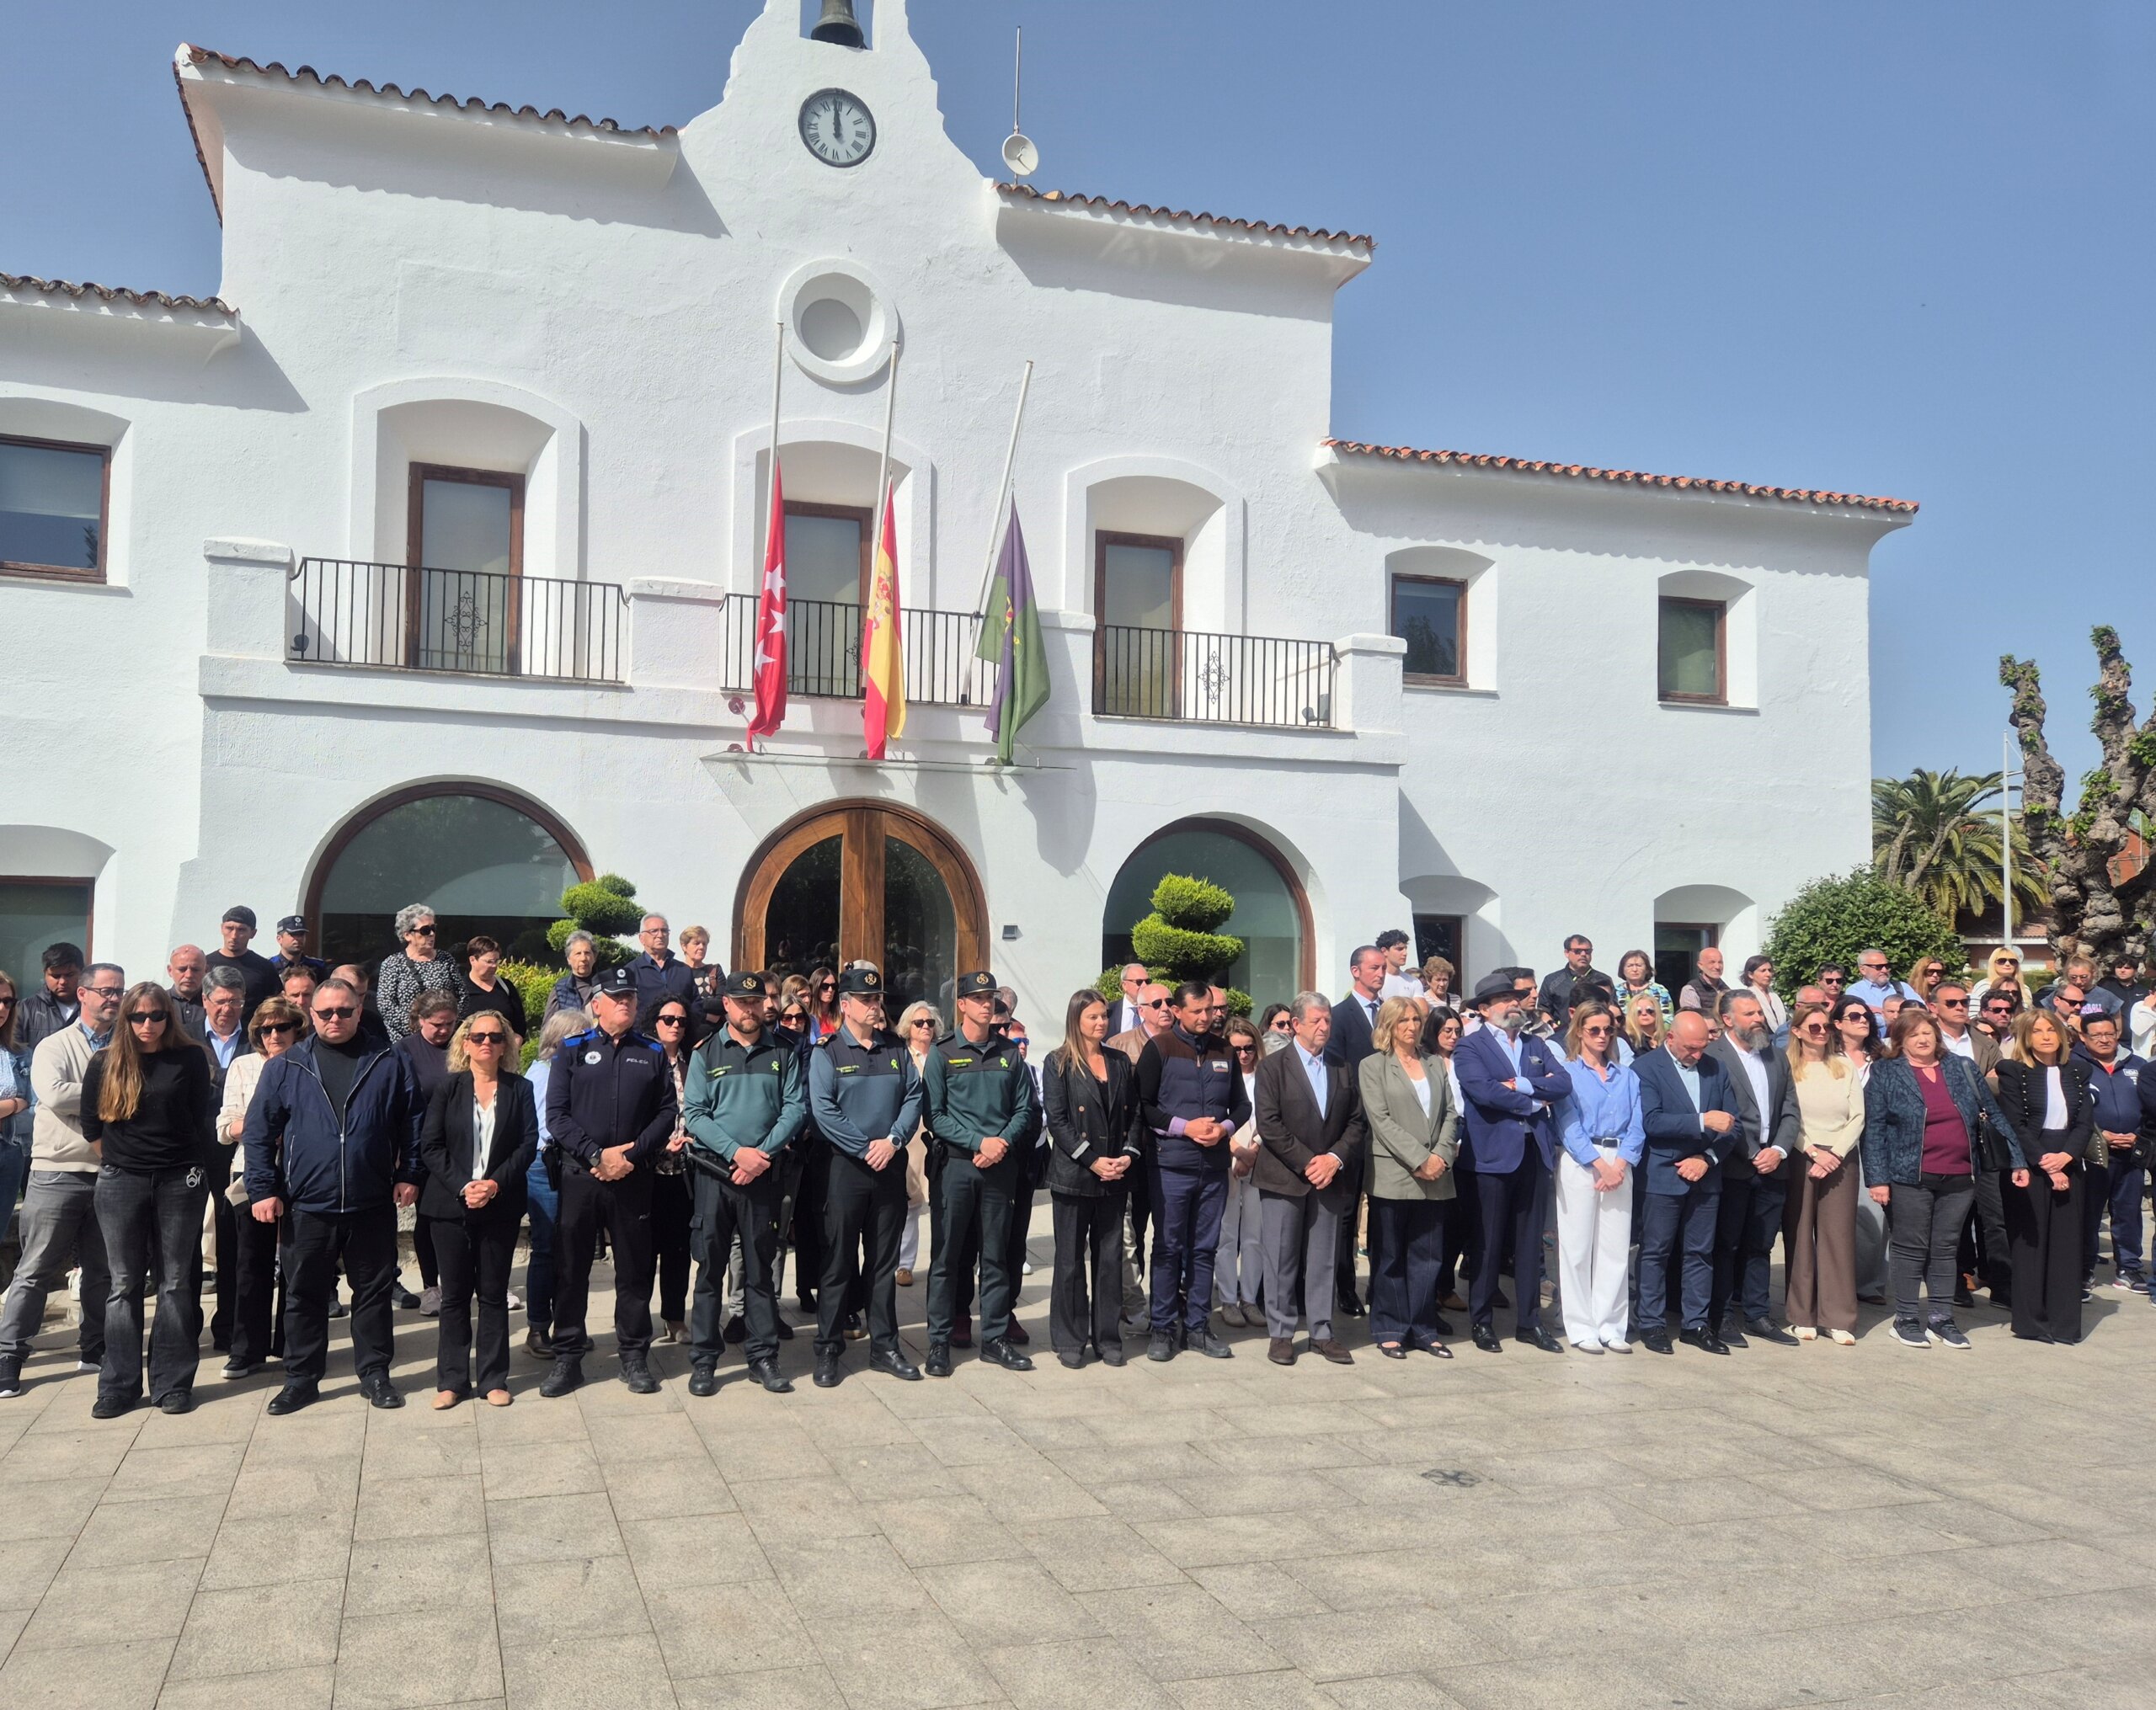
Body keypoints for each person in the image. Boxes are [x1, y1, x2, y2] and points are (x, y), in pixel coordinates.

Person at [243, 977, 423, 1414]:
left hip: (371, 1199)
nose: (335, 1019)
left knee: (374, 1292)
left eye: (344, 1011)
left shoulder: (387, 1060)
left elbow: (412, 1122)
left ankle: (375, 1374)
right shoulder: (286, 1065)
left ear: (360, 1009)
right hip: (308, 1203)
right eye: (325, 1013)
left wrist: (410, 1172)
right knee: (303, 1293)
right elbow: (259, 1133)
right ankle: (301, 1379)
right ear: (312, 1015)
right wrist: (262, 1188)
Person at [80, 983, 216, 1416]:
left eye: (156, 1015)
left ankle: (172, 1383)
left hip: (180, 1180)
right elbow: (91, 1127)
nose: (147, 1024)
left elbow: (199, 1116)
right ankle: (118, 1385)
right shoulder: (105, 1061)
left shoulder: (190, 1057)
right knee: (123, 1285)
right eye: (138, 1017)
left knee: (176, 1283)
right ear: (125, 1019)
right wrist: (124, 1163)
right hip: (122, 1181)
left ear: (168, 1017)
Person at [542, 967, 678, 1398]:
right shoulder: (572, 1050)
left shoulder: (652, 1052)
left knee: (635, 1270)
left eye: (631, 998)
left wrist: (629, 1156)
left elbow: (666, 1114)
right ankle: (568, 1357)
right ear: (595, 1003)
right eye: (616, 996)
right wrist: (598, 1155)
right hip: (582, 1176)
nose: (625, 1003)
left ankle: (634, 1356)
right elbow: (557, 1116)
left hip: (632, 1178)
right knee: (572, 1269)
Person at [1862, 1008, 2025, 1350]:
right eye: (1913, 1035)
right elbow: (1874, 1129)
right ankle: (1906, 1318)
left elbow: (1993, 1114)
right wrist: (1877, 1179)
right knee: (1910, 1247)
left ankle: (1941, 1317)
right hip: (1908, 1175)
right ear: (1900, 1041)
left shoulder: (1961, 1067)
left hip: (1960, 1176)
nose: (1923, 1039)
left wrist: (2017, 1159)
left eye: (1927, 1033)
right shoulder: (1886, 1072)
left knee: (1945, 1248)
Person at [0, 963, 121, 1400]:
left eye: (118, 991)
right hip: (57, 1171)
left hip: (113, 1172)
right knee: (35, 1271)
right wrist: (118, 1093)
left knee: (102, 1271)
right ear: (83, 994)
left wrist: (95, 1094)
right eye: (105, 991)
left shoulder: (128, 1044)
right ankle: (9, 1354)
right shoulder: (53, 1045)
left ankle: (95, 1347)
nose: (113, 998)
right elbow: (53, 1094)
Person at [683, 970, 803, 1394]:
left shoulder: (784, 1052)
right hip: (716, 1175)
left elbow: (795, 1109)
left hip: (763, 1177)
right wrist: (738, 1154)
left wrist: (761, 1155)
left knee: (759, 1273)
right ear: (727, 1005)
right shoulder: (706, 1053)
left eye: (756, 1003)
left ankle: (763, 1358)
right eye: (741, 1002)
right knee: (710, 1272)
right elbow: (694, 1114)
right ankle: (704, 1361)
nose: (750, 1009)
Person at [806, 967, 923, 1386]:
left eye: (878, 1000)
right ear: (846, 1005)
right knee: (838, 1261)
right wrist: (864, 1147)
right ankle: (829, 1348)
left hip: (888, 1164)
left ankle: (885, 1346)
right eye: (867, 1000)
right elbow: (823, 1109)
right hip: (847, 1169)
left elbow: (913, 1096)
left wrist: (892, 1140)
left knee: (883, 1263)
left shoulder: (895, 1047)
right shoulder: (828, 1051)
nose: (876, 1007)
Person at [923, 972, 1039, 1376]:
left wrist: (1001, 1142)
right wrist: (979, 1142)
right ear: (962, 1005)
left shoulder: (1010, 1054)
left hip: (999, 1167)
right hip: (956, 1167)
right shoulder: (942, 1053)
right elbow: (934, 1115)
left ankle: (994, 1339)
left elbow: (1026, 1109)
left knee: (996, 1257)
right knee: (947, 1258)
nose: (986, 1005)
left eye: (990, 998)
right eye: (977, 998)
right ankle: (938, 1342)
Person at [419, 1011, 536, 1408]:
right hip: (450, 1207)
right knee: (454, 1297)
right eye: (478, 1036)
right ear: (465, 1043)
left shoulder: (520, 1090)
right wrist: (464, 1186)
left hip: (498, 1205)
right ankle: (452, 1381)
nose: (486, 1042)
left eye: (495, 1037)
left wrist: (494, 1184)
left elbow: (527, 1145)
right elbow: (430, 1146)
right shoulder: (447, 1089)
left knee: (492, 1295)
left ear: (505, 1046)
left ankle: (493, 1380)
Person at [1453, 972, 1572, 1352]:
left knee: (1529, 1243)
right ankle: (1482, 1321)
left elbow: (1563, 1083)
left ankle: (1529, 1321)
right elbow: (1482, 1091)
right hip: (1491, 1157)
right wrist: (1536, 1100)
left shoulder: (1536, 1043)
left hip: (1533, 1153)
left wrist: (1520, 1086)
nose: (1513, 1003)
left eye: (1515, 997)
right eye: (1504, 998)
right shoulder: (1469, 1047)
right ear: (1485, 1010)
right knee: (1487, 1242)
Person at [1250, 992, 1366, 1365]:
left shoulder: (1342, 1066)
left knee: (1323, 1259)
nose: (1324, 1027)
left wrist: (1333, 1159)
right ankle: (1281, 1333)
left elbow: (1356, 1121)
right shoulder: (1273, 1067)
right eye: (1316, 1021)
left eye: (1328, 1020)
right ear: (1296, 1025)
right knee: (1281, 1257)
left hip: (1330, 1177)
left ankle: (1321, 1330)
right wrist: (1308, 1162)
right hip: (1285, 1176)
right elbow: (1269, 1124)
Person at [1135, 980, 1246, 1363]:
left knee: (1204, 1249)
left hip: (1213, 1167)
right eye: (1196, 1011)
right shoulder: (1160, 1048)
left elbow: (1242, 1107)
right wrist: (1186, 1127)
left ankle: (1197, 1327)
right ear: (1178, 1012)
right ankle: (1163, 1327)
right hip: (1171, 1164)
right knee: (1167, 1248)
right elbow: (1144, 1106)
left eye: (1210, 1010)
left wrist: (1224, 1129)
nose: (1205, 1017)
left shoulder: (1225, 1051)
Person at [1041, 988, 1143, 1367]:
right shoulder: (1059, 1063)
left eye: (1104, 1016)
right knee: (1069, 1260)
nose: (1101, 1023)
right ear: (1076, 1021)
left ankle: (1107, 1337)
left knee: (1110, 1257)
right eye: (1093, 1018)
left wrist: (1127, 1155)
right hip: (1074, 1175)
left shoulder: (1119, 1061)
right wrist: (1092, 1160)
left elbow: (1134, 1114)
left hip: (1115, 1174)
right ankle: (1069, 1338)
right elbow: (1058, 1120)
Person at [1632, 1011, 1741, 1355]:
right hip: (1663, 1173)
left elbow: (1731, 1126)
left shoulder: (1715, 1068)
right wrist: (1700, 1121)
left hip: (1705, 1173)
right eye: (1690, 1048)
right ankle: (1651, 1322)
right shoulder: (1646, 1069)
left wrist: (1706, 1159)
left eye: (1702, 1047)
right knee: (1655, 1251)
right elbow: (1650, 1121)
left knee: (1700, 1252)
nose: (1697, 1054)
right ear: (1670, 1039)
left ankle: (1696, 1323)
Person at [1358, 994, 1458, 1358]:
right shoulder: (1373, 1066)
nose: (1412, 1027)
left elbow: (1450, 1113)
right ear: (1388, 1025)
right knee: (1390, 1256)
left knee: (1428, 1256)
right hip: (1395, 1172)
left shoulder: (1434, 1063)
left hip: (1436, 1175)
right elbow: (1380, 1120)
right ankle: (1389, 1326)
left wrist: (1440, 1157)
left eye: (1416, 1020)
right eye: (1403, 1021)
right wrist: (1419, 1159)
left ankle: (1423, 1328)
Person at [1705, 990, 1801, 1346]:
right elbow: (1716, 1112)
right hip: (1732, 1166)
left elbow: (1791, 1109)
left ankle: (1758, 1315)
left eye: (1760, 1011)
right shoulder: (1714, 1058)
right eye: (1749, 1013)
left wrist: (1777, 1149)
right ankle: (1723, 1316)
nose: (1758, 1018)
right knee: (1726, 1245)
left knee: (1761, 1245)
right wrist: (1750, 1152)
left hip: (1772, 1167)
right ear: (1728, 1020)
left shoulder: (1776, 1057)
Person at [215, 996, 305, 1378]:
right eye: (265, 1029)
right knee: (249, 1266)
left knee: (297, 1265)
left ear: (296, 1030)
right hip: (250, 1171)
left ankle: (292, 1345)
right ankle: (246, 1350)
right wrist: (260, 1126)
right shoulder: (243, 1066)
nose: (273, 1035)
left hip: (301, 1172)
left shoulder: (309, 1063)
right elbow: (224, 1128)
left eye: (282, 1027)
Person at [1993, 1009, 2095, 1344]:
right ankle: (2030, 1323)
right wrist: (2047, 1164)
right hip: (2030, 1163)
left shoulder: (2078, 1070)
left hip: (2068, 1156)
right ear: (2027, 1037)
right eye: (2038, 1031)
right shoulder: (2014, 1071)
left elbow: (2083, 1123)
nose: (2047, 1036)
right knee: (2030, 1245)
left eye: (2052, 1029)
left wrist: (2066, 1158)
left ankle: (2065, 1324)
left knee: (2067, 1245)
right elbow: (2015, 1124)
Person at [1551, 1001, 1642, 1353]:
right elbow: (1567, 1120)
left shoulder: (1627, 1075)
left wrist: (1619, 1164)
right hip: (1581, 1158)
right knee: (1577, 1245)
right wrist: (1597, 1164)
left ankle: (1611, 1323)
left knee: (1616, 1245)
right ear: (1578, 1032)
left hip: (1620, 1159)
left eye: (1608, 1029)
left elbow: (1637, 1122)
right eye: (1595, 1030)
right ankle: (1580, 1324)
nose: (1603, 1036)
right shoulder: (1566, 1072)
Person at [1782, 1003, 1865, 1345]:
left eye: (1824, 1026)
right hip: (1802, 1154)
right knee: (1800, 1234)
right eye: (1812, 1027)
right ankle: (1801, 1314)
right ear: (1797, 1031)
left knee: (1838, 1237)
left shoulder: (1844, 1066)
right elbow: (1787, 1116)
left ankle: (1838, 1316)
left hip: (1841, 1157)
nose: (1820, 1032)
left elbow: (1858, 1116)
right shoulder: (1786, 1067)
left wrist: (1835, 1154)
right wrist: (1813, 1151)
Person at [520, 1008, 589, 1361]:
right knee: (547, 1248)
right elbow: (543, 1126)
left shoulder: (572, 1071)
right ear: (560, 1040)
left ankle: (568, 1323)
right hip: (545, 1163)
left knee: (572, 1248)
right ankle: (537, 1326)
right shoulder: (543, 1074)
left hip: (570, 1163)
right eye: (580, 1036)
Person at [2072, 1010, 2148, 1293]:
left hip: (2131, 1153)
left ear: (2117, 1034)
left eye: (2109, 1034)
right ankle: (2083, 1270)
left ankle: (2129, 1268)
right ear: (2083, 1037)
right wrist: (2099, 1134)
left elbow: (2149, 1109)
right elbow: (2071, 1110)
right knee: (2089, 1214)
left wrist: (2137, 1135)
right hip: (2091, 1154)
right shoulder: (2073, 1065)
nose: (2104, 1040)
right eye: (2097, 1035)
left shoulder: (2138, 1065)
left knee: (2128, 1212)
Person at [397, 992, 462, 1317]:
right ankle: (431, 1286)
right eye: (437, 1024)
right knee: (429, 1218)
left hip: (464, 1142)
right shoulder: (404, 1050)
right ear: (421, 1020)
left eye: (450, 1024)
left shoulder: (464, 1042)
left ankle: (469, 1281)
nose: (444, 1031)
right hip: (424, 1145)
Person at [639, 995, 696, 1348]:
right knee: (643, 1253)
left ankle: (675, 1318)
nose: (675, 1025)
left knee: (678, 1250)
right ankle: (637, 1321)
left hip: (684, 1172)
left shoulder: (694, 1063)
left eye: (681, 1021)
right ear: (654, 1022)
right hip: (647, 1170)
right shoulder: (641, 1060)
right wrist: (658, 1145)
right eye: (667, 1019)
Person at [197, 968, 249, 1352]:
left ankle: (230, 1327)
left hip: (240, 1154)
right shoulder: (182, 1037)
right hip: (192, 1153)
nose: (227, 1009)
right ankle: (184, 1327)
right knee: (184, 1246)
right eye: (220, 1001)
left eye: (234, 1001)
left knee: (233, 1243)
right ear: (205, 1002)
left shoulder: (260, 1038)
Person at [1828, 995, 1888, 1304]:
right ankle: (1832, 1280)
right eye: (1854, 1016)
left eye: (1866, 1016)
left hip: (1875, 1145)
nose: (1864, 1020)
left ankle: (1868, 1283)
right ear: (1837, 1024)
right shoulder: (1826, 1057)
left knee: (1873, 1218)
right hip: (1834, 1143)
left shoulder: (1883, 1058)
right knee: (1834, 1217)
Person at [1213, 1018, 1267, 1329]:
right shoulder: (1221, 1077)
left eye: (1249, 1048)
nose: (1244, 1055)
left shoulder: (1265, 1076)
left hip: (1258, 1161)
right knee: (1227, 1234)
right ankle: (1228, 1299)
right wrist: (1237, 1151)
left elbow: (1271, 1117)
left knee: (1255, 1235)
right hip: (1228, 1160)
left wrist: (1253, 1151)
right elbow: (1217, 1117)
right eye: (1237, 1049)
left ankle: (1250, 1298)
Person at [893, 1000, 940, 1287]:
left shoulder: (941, 1055)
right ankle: (904, 1265)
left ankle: (942, 1261)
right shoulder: (900, 1056)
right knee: (910, 1202)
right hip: (910, 1136)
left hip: (937, 1136)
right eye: (919, 1023)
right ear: (907, 1027)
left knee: (940, 1202)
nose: (925, 1028)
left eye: (930, 1023)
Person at [376, 905, 460, 1042]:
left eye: (433, 928)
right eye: (425, 930)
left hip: (443, 1039)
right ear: (407, 935)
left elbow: (462, 996)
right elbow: (386, 1004)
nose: (432, 934)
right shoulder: (393, 963)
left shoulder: (446, 959)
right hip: (406, 1041)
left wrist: (447, 1025)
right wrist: (420, 1030)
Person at [205, 905, 279, 1021]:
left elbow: (274, 1005)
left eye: (241, 930)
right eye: (229, 928)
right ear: (222, 929)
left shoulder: (264, 967)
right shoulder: (206, 964)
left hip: (251, 1035)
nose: (234, 936)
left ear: (253, 933)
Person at [0, 970, 30, 1245]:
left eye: (8, 1002)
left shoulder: (19, 1053)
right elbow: (22, 1103)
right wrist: (13, 1104)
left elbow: (33, 1104)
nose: (2, 1008)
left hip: (11, 1150)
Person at [1537, 936, 1616, 1035]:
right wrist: (1552, 1025)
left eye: (1587, 951)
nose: (1583, 954)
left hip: (1595, 1034)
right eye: (1578, 951)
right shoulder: (1552, 980)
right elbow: (1543, 1010)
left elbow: (1612, 1008)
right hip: (1562, 1034)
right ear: (1566, 953)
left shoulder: (1604, 980)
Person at [17, 943, 85, 1057]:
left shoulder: (94, 1007)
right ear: (44, 974)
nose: (63, 982)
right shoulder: (24, 1009)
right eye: (56, 976)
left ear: (82, 972)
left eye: (69, 975)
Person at [458, 936, 528, 1041]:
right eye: (489, 962)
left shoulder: (505, 987)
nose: (494, 966)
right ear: (473, 960)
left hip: (503, 1052)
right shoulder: (459, 988)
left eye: (496, 961)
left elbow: (520, 1023)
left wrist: (516, 1043)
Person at [630, 914, 696, 1013]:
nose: (660, 935)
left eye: (664, 931)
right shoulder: (632, 971)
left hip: (679, 1027)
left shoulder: (683, 970)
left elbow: (696, 1004)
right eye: (654, 931)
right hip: (644, 1028)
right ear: (641, 938)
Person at [547, 933, 603, 1020]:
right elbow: (548, 1027)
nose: (583, 958)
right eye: (578, 954)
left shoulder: (605, 985)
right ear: (569, 959)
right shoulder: (560, 990)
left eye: (587, 953)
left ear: (594, 957)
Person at [1612, 951, 1673, 1026]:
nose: (1634, 969)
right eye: (1630, 966)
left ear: (1647, 969)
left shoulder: (1659, 990)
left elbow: (1668, 1018)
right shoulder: (1615, 991)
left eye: (1639, 965)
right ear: (1622, 970)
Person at [1970, 948, 2033, 1012]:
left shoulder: (2025, 989)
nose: (2007, 964)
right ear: (1993, 963)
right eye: (2002, 961)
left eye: (2012, 961)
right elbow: (1974, 1014)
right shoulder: (1983, 986)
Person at [270, 915, 330, 983]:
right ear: (279, 939)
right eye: (293, 934)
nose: (298, 938)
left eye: (301, 934)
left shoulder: (318, 966)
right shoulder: (269, 966)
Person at [166, 945, 209, 1038]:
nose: (189, 975)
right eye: (182, 969)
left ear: (206, 970)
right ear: (170, 971)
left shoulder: (214, 1004)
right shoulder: (160, 1002)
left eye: (195, 970)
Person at [1741, 956, 1788, 1041]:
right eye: (1763, 971)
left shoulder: (1774, 996)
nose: (1768, 974)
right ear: (1750, 975)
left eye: (1770, 970)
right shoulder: (1749, 997)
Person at [1676, 947, 1730, 1014]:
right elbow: (1694, 1018)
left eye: (1720, 962)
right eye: (1712, 962)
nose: (1717, 967)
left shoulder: (1726, 989)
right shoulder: (1691, 990)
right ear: (1700, 965)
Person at [1619, 992, 1667, 1066]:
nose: (1644, 1014)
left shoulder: (1666, 1039)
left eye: (1650, 1010)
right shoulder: (1627, 1039)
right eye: (1638, 1011)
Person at [1375, 930, 1424, 1001]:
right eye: (1399, 949)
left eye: (1405, 949)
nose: (1405, 953)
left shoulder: (1413, 981)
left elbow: (1422, 1010)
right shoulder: (1376, 980)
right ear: (1384, 951)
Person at [678, 926, 723, 1002]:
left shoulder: (714, 971)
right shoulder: (676, 972)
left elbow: (722, 1002)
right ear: (684, 946)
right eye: (697, 943)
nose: (702, 947)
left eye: (704, 944)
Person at [1111, 963, 1152, 1036]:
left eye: (1147, 982)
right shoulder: (1109, 1011)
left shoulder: (1155, 1009)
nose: (1145, 985)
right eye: (1139, 982)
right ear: (1125, 985)